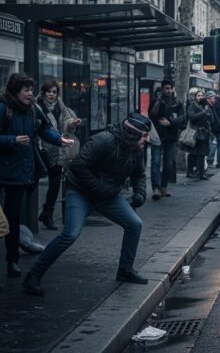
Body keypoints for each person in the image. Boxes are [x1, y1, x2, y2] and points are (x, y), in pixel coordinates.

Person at [22, 113, 152, 296]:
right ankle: (33, 276)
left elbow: (139, 174)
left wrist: (140, 193)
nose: (147, 140)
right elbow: (78, 166)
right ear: (133, 134)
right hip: (80, 192)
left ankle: (125, 270)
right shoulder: (103, 140)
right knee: (70, 234)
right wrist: (99, 188)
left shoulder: (136, 150)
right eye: (145, 135)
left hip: (107, 195)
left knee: (134, 224)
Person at [0, 73, 74, 278]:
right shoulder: (3, 107)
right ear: (15, 91)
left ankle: (12, 260)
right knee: (5, 218)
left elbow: (44, 128)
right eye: (26, 90)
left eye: (31, 90)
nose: (30, 94)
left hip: (19, 170)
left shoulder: (33, 109)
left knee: (12, 216)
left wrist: (60, 140)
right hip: (3, 167)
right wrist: (11, 140)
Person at [37, 80, 81, 229]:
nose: (51, 95)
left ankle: (47, 214)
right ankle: (32, 216)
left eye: (54, 92)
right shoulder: (37, 107)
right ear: (43, 93)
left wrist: (73, 124)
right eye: (49, 91)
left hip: (56, 149)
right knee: (33, 182)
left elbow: (68, 122)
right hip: (40, 149)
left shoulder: (62, 108)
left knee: (55, 184)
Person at [148, 80, 184, 200]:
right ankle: (156, 188)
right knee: (155, 163)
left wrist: (170, 122)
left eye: (170, 88)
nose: (168, 90)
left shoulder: (178, 103)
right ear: (162, 89)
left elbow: (182, 119)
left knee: (168, 164)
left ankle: (164, 186)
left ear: (173, 89)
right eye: (166, 88)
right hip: (157, 136)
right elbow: (151, 115)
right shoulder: (156, 101)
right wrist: (158, 101)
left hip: (171, 137)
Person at [186, 90, 212, 180]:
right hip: (195, 132)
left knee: (202, 153)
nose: (200, 97)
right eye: (198, 95)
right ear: (195, 97)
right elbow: (192, 117)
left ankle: (200, 173)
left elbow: (211, 118)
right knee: (193, 153)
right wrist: (204, 112)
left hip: (204, 133)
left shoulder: (206, 106)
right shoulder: (192, 105)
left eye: (202, 95)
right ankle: (190, 172)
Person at [205, 90, 220, 168]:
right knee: (216, 145)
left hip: (219, 127)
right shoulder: (217, 103)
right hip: (217, 128)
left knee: (217, 145)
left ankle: (214, 162)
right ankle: (214, 162)